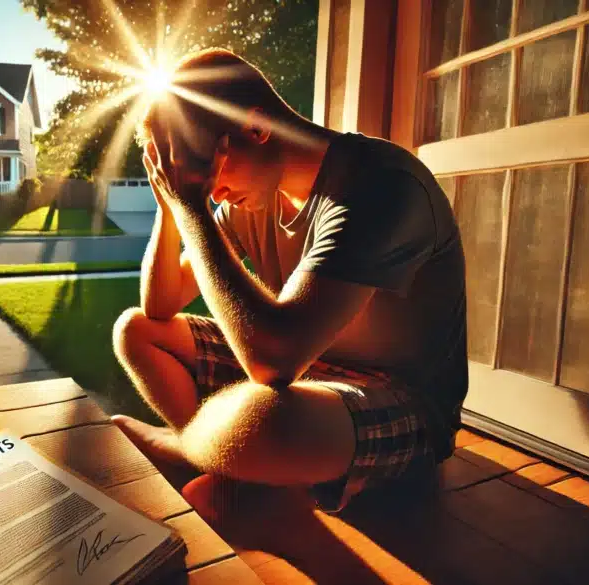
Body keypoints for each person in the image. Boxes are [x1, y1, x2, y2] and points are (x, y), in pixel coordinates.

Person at [110, 48, 468, 513]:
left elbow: (272, 361)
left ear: (256, 129)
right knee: (136, 330)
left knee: (263, 419)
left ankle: (194, 451)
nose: (209, 191)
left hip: (402, 400)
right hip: (307, 376)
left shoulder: (381, 186)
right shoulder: (252, 197)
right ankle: (234, 462)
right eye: (188, 179)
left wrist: (195, 207)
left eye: (205, 173)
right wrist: (173, 206)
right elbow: (159, 307)